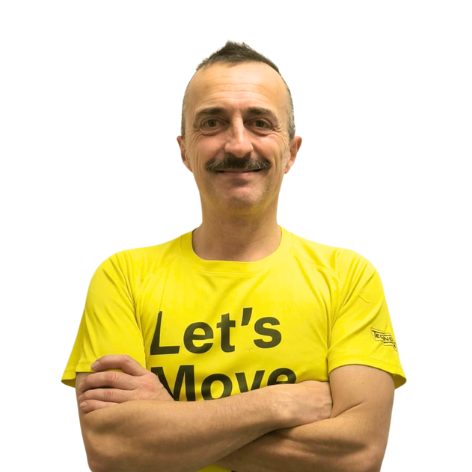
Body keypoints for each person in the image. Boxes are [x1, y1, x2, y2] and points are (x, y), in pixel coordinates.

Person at [62, 41, 406, 472]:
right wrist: (278, 403)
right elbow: (111, 449)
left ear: (291, 152)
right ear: (184, 150)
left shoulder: (348, 277)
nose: (239, 145)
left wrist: (170, 420)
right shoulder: (123, 278)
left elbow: (358, 455)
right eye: (213, 123)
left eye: (260, 122)